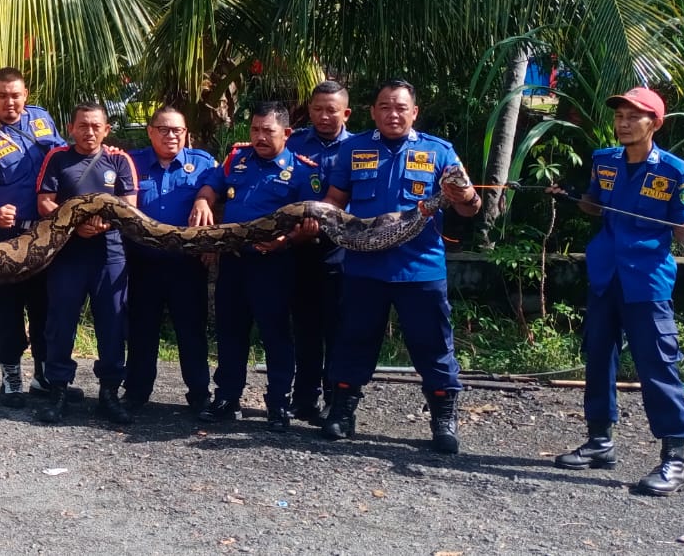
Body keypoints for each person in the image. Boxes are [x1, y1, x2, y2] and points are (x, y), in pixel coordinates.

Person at [318, 80, 480, 453]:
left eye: (401, 108)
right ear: (373, 111)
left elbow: (470, 208)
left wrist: (466, 196)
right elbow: (335, 199)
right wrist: (319, 215)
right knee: (353, 340)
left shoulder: (439, 152)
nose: (393, 114)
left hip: (420, 268)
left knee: (433, 344)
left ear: (414, 112)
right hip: (363, 266)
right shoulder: (354, 148)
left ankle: (443, 419)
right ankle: (342, 412)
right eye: (385, 107)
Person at [552, 87, 684, 496]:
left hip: (647, 280)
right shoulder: (604, 161)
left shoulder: (675, 171)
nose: (623, 122)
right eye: (619, 115)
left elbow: (683, 224)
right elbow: (595, 206)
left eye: (634, 116)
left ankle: (673, 459)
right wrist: (570, 197)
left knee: (657, 366)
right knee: (598, 358)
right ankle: (600, 441)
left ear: (654, 122)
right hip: (605, 275)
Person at [189, 102, 322, 431]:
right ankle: (227, 397)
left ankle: (278, 403)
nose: (260, 137)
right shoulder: (238, 159)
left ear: (287, 134)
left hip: (273, 265)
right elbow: (212, 184)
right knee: (230, 331)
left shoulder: (305, 172)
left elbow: (311, 224)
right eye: (255, 130)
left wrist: (286, 240)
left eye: (268, 131)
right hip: (233, 263)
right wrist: (203, 200)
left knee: (275, 334)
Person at [0, 67, 66, 406]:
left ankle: (43, 376)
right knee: (7, 310)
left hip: (46, 233)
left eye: (16, 94)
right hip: (6, 237)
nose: (10, 101)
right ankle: (11, 377)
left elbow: (63, 158)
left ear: (26, 94)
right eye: (2, 95)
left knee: (45, 306)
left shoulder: (42, 119)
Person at [33, 103, 136, 424]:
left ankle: (108, 394)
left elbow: (130, 206)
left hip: (110, 253)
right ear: (71, 127)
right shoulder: (57, 158)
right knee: (61, 323)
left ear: (106, 130)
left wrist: (105, 224)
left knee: (112, 323)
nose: (88, 132)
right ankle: (58, 390)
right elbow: (44, 201)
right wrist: (74, 223)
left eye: (95, 126)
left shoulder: (120, 159)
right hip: (68, 253)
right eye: (82, 126)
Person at [124, 106, 216, 413]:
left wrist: (211, 241)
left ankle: (200, 395)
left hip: (186, 265)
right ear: (150, 131)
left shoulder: (202, 165)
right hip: (142, 263)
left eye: (177, 130)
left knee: (191, 332)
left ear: (186, 133)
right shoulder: (131, 162)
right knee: (141, 330)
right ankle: (136, 393)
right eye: (163, 129)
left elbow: (223, 201)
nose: (171, 135)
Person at [283, 81, 353, 422]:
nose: (324, 116)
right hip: (299, 247)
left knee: (337, 328)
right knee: (305, 326)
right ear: (309, 109)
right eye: (317, 109)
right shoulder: (292, 144)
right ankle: (304, 397)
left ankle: (334, 400)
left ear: (346, 112)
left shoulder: (361, 148)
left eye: (332, 110)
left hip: (342, 250)